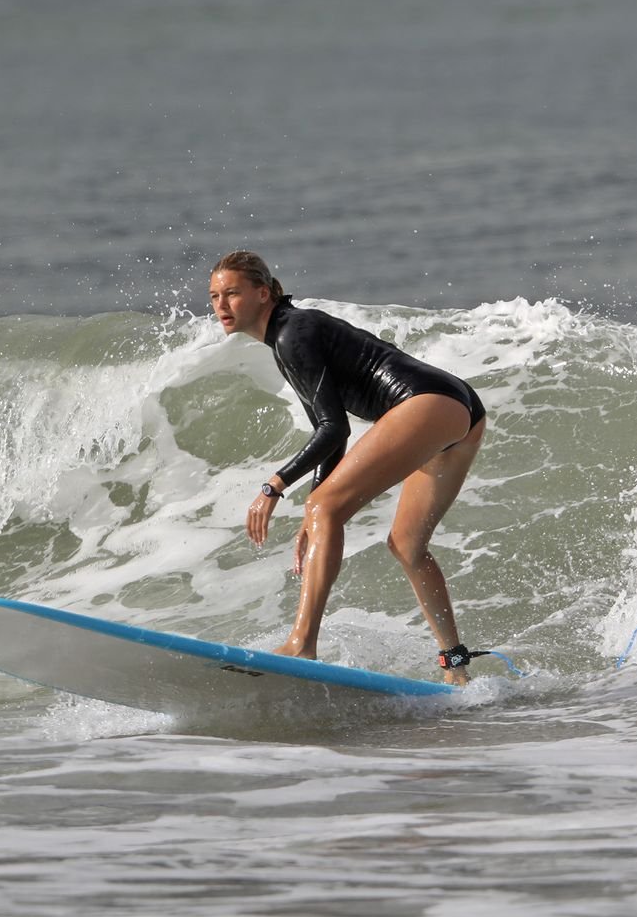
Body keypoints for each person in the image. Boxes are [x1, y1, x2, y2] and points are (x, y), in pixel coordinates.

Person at [207, 250, 488, 683]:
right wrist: (315, 510)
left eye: (232, 293)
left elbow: (334, 428)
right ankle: (456, 666)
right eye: (214, 297)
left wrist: (275, 487)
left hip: (426, 402)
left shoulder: (291, 334)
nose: (221, 305)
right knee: (406, 545)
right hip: (459, 408)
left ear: (263, 294)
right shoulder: (290, 333)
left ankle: (301, 644)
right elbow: (330, 436)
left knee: (325, 508)